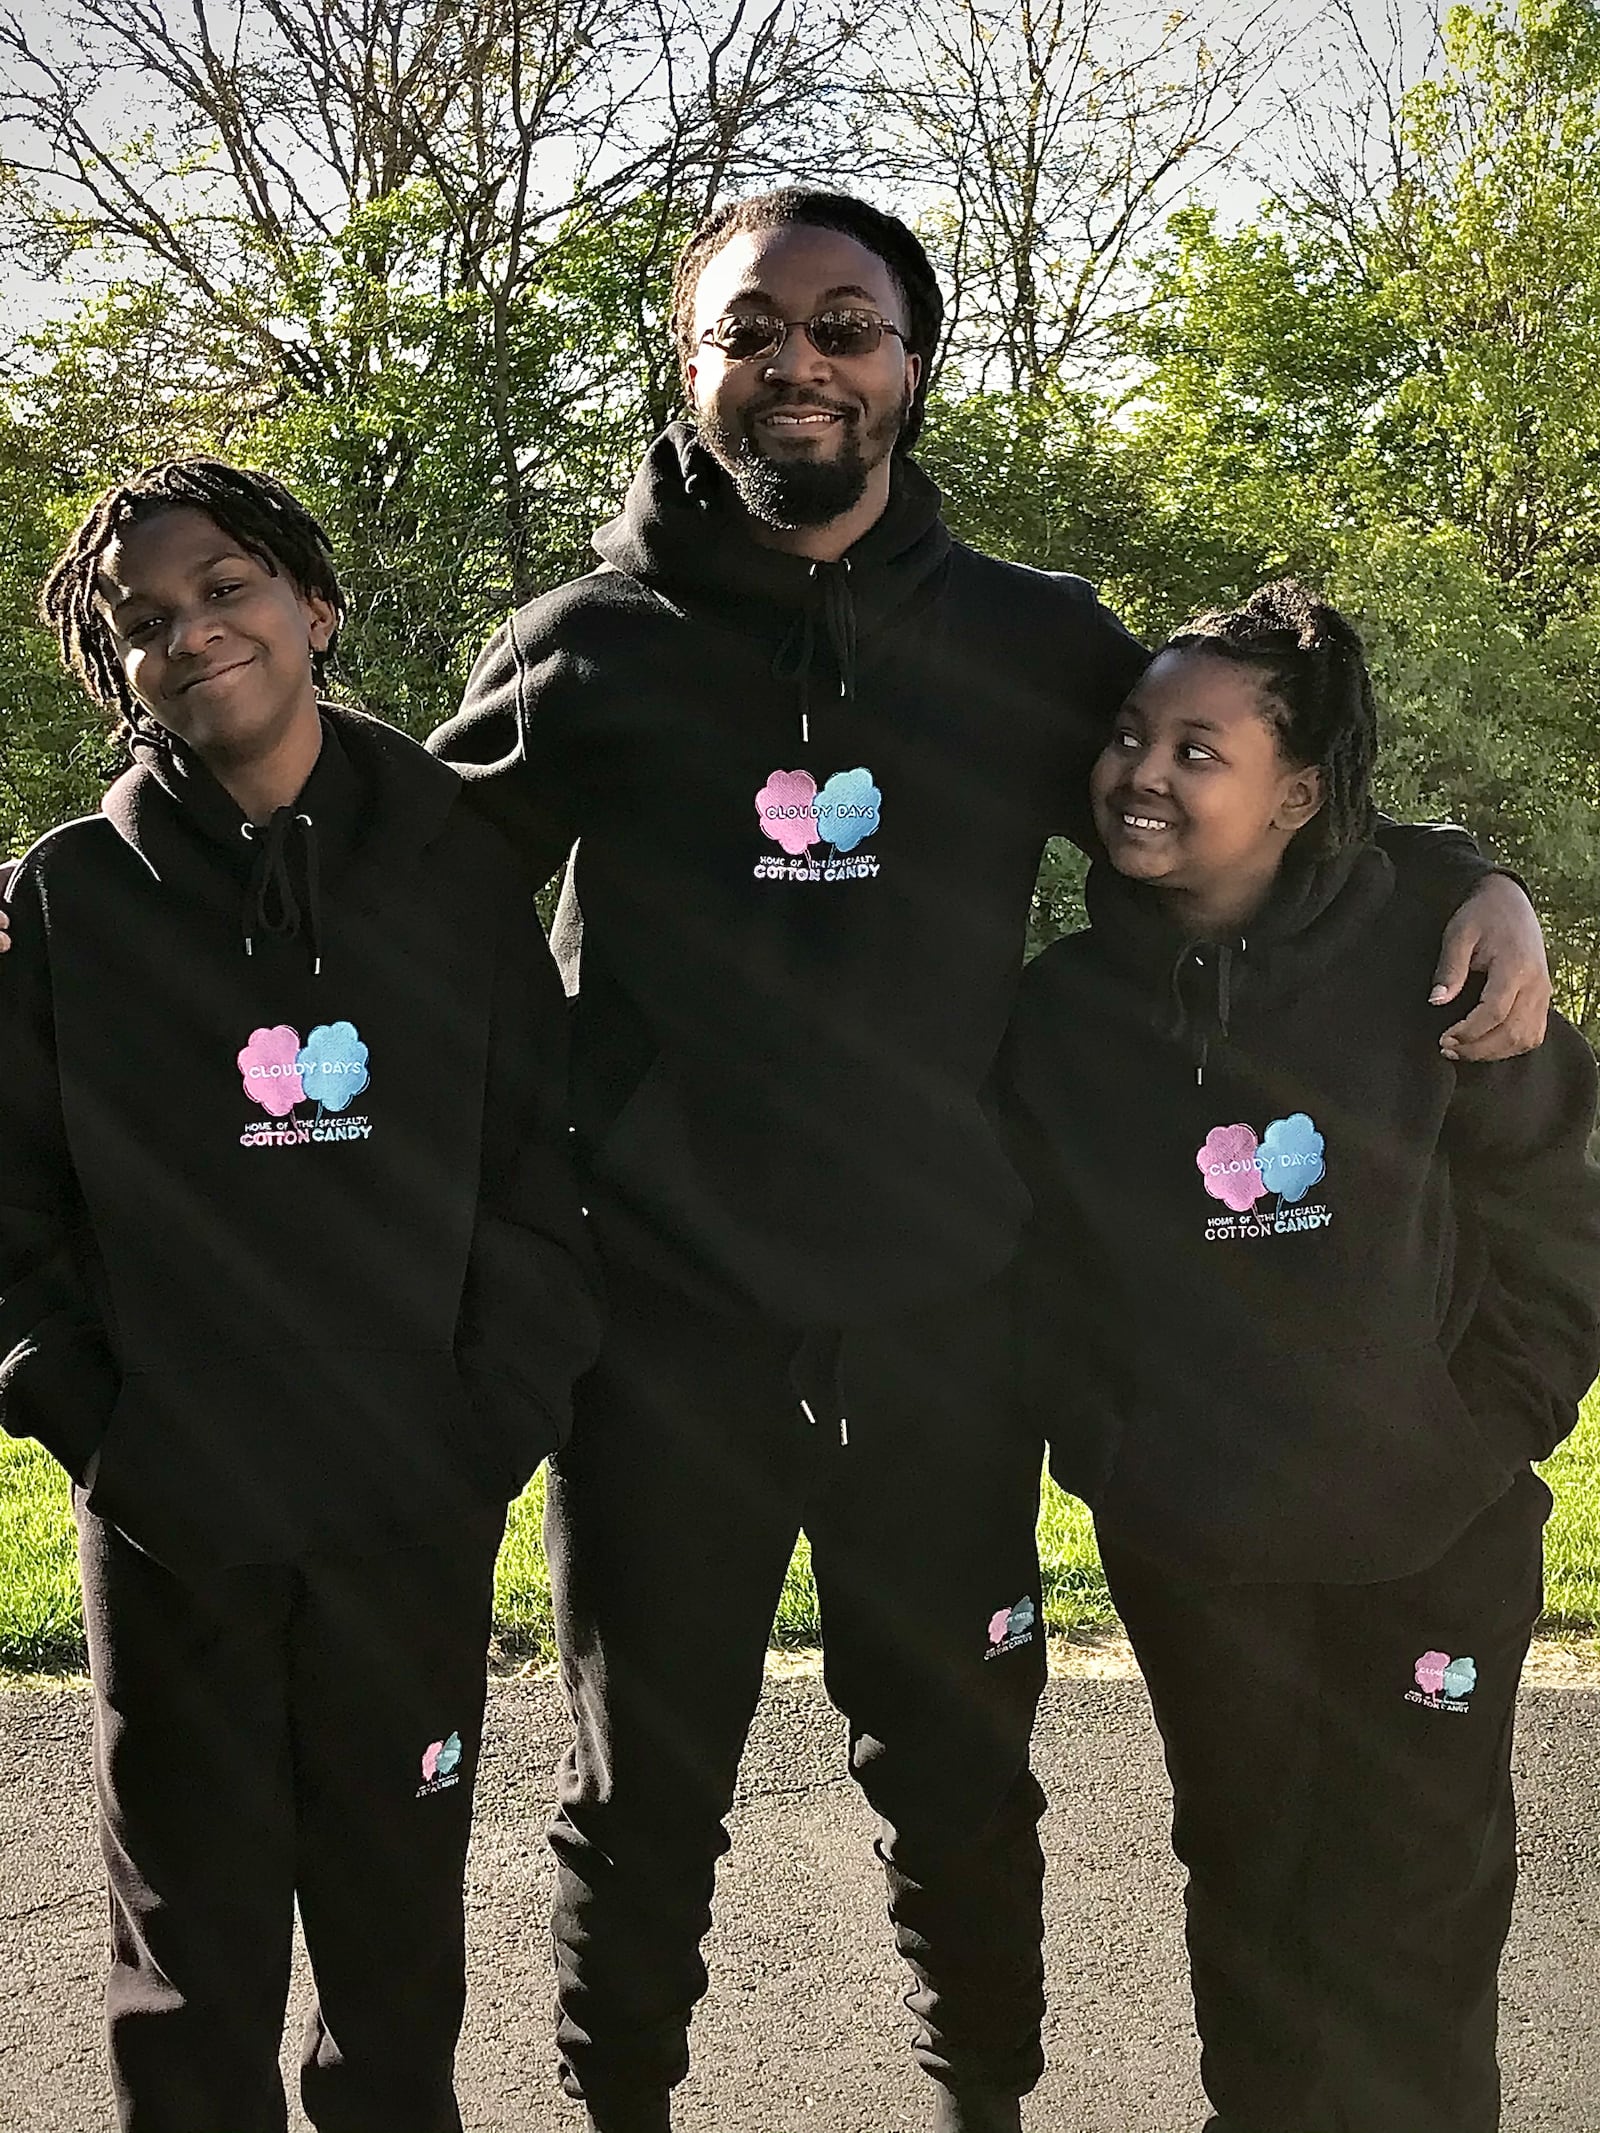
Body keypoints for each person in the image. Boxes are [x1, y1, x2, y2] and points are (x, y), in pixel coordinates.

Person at [424, 191, 1552, 2133]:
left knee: (957, 1784)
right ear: (686, 365)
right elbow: (390, 902)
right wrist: (88, 919)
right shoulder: (584, 655)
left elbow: (1242, 782)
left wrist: (1474, 878)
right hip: (659, 1353)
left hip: (942, 1340)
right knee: (638, 1802)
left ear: (909, 368)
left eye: (844, 326)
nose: (796, 361)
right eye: (749, 327)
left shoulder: (1028, 643)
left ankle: (985, 2113)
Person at [0, 459, 601, 2133]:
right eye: (144, 624)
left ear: (313, 606)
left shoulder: (461, 866)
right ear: (116, 673)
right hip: (175, 1509)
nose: (193, 634)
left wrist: (490, 1418)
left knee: (397, 1952)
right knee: (188, 1958)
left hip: (409, 1499)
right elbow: (15, 1210)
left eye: (225, 587)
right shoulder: (67, 902)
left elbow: (535, 1163)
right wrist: (96, 1421)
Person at [1006, 581, 1600, 2133]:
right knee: (1252, 1899)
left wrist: (1479, 1435)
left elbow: (1557, 1216)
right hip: (1202, 1557)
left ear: (1301, 789)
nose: (1143, 772)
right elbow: (1040, 1278)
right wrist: (1118, 1457)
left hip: (1435, 1546)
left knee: (1416, 1910)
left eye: (1200, 750)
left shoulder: (1441, 955)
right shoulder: (1061, 1015)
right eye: (1132, 736)